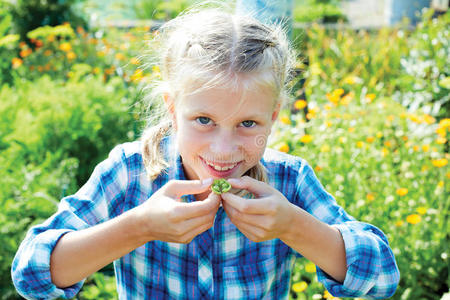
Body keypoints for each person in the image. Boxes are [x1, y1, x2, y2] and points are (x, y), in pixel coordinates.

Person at [11, 3, 400, 300]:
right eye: (203, 120)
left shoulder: (289, 180)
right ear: (171, 108)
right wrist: (139, 226)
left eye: (248, 124)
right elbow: (32, 274)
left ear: (274, 116)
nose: (224, 149)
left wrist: (294, 226)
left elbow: (382, 278)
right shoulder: (130, 172)